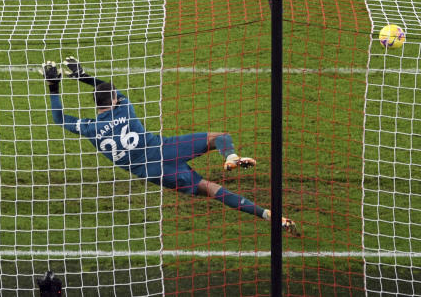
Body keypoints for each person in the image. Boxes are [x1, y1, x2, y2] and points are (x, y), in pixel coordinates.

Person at [40, 57, 298, 235]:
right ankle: (230, 156)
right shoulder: (125, 108)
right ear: (116, 99)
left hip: (154, 173)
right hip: (165, 148)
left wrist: (54, 87)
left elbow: (60, 119)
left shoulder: (89, 128)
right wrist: (83, 75)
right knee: (219, 137)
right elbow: (107, 88)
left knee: (209, 189)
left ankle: (267, 215)